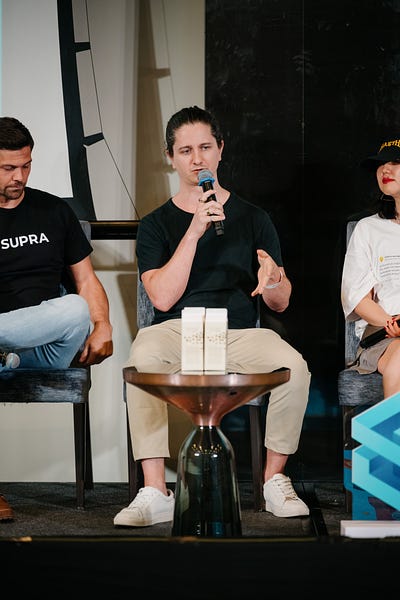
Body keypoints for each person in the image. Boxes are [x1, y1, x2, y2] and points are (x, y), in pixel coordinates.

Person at [113, 105, 311, 528]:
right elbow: (162, 298)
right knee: (141, 359)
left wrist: (274, 278)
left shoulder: (254, 217)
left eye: (205, 147)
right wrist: (195, 230)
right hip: (177, 328)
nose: (197, 158)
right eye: (186, 151)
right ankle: (155, 490)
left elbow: (280, 303)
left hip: (238, 331)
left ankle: (274, 480)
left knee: (294, 366)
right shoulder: (155, 224)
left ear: (221, 149)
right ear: (171, 157)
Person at [0, 116, 113, 521]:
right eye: (8, 168)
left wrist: (102, 325)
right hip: (4, 343)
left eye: (26, 165)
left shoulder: (54, 210)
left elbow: (86, 281)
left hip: (49, 347)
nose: (19, 176)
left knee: (75, 309)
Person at [341, 136, 400, 399]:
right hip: (386, 338)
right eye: (380, 164)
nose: (385, 169)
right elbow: (358, 299)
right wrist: (391, 323)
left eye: (395, 162)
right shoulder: (368, 229)